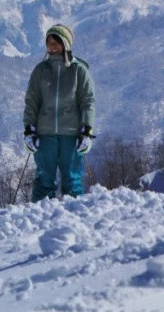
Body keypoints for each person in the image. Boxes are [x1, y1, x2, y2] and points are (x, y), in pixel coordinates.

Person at [23, 23, 96, 201]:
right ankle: (38, 219)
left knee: (72, 178)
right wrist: (29, 130)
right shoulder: (40, 70)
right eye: (49, 43)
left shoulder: (79, 70)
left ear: (66, 44)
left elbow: (87, 101)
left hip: (71, 134)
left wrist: (86, 130)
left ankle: (73, 219)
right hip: (45, 133)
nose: (52, 46)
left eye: (56, 42)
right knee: (44, 179)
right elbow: (31, 102)